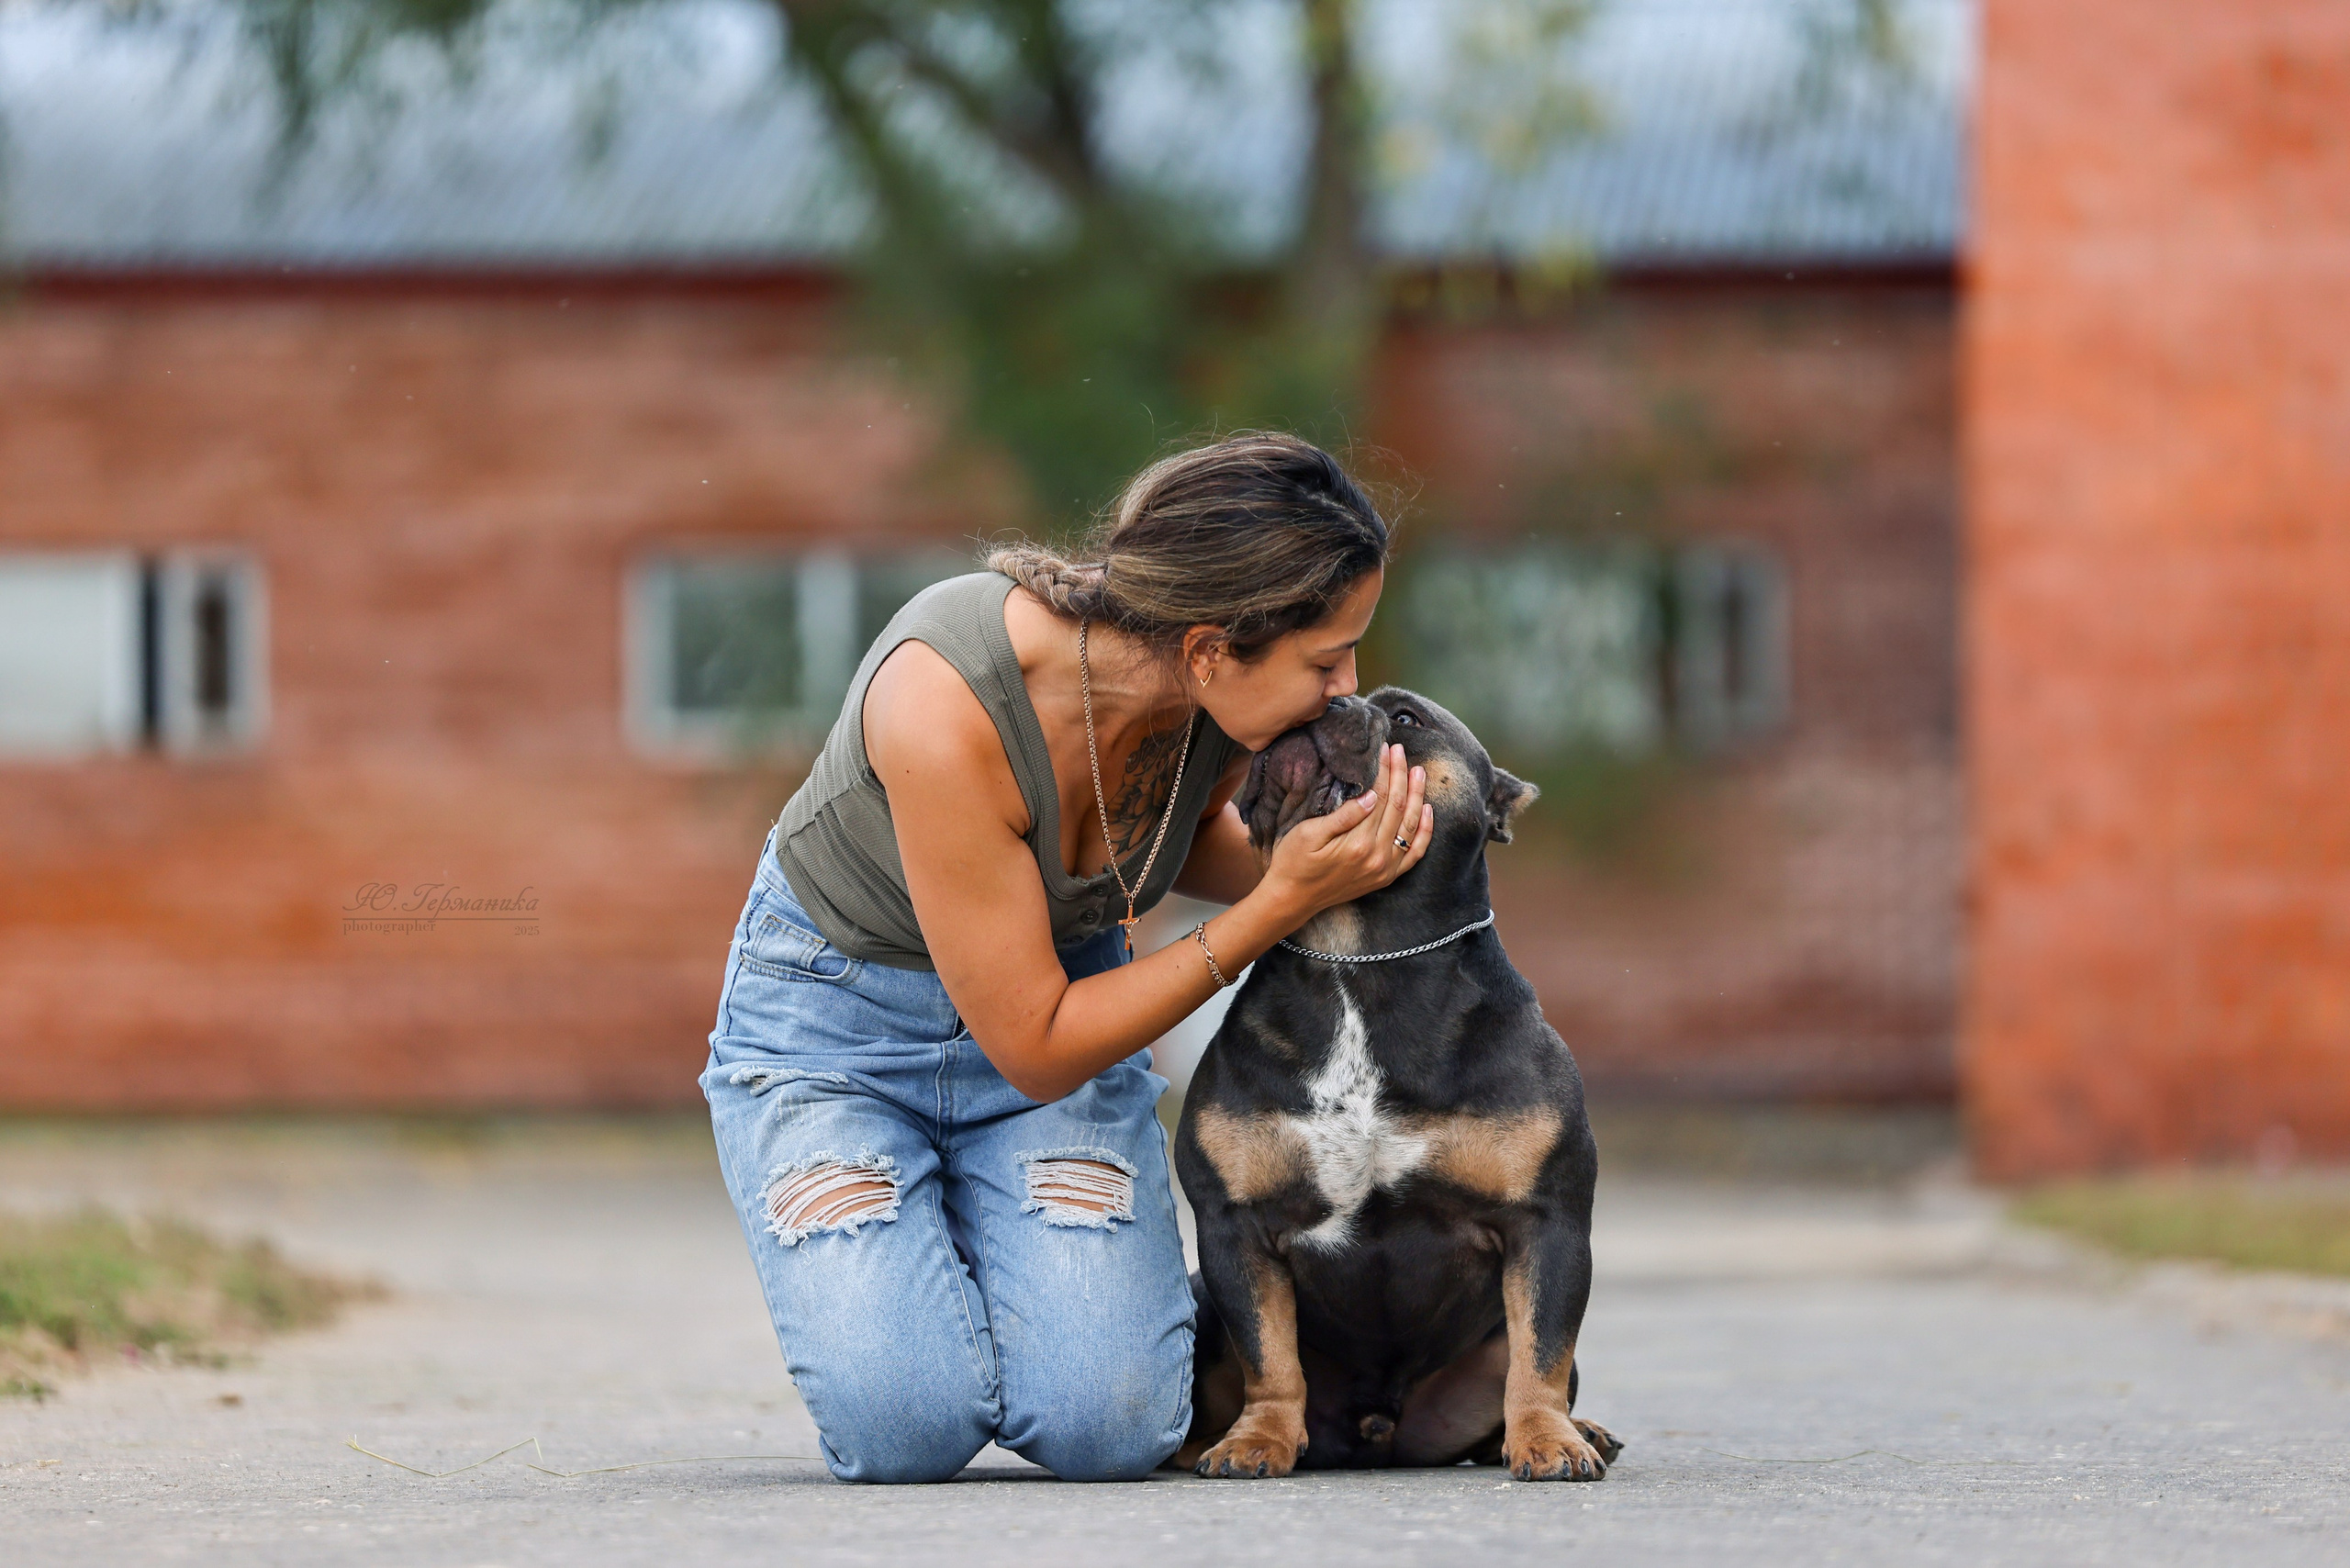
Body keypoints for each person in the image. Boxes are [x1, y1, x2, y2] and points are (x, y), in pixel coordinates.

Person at [701, 431, 1432, 1483]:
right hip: (839, 1038)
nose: (1344, 688)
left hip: (1058, 1002)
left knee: (1114, 1427)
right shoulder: (943, 706)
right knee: (903, 1428)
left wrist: (1347, 857)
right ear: (1207, 647)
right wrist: (1281, 902)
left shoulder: (1213, 702)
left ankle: (1005, 1240)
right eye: (1325, 659)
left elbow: (1188, 846)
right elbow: (1039, 1047)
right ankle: (920, 1219)